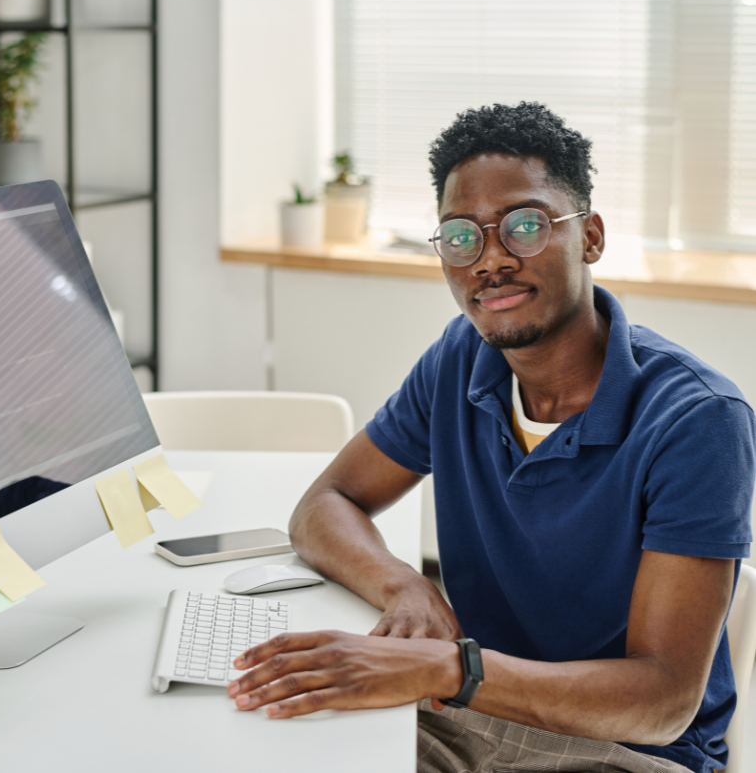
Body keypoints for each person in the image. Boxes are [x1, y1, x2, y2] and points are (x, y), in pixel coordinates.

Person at [225, 102, 756, 773]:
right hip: (478, 711)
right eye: (461, 236)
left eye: (525, 225)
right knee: (260, 736)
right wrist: (403, 587)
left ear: (589, 237)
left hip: (623, 750)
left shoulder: (697, 420)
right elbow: (326, 502)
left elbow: (663, 703)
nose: (490, 260)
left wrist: (451, 668)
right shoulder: (461, 359)